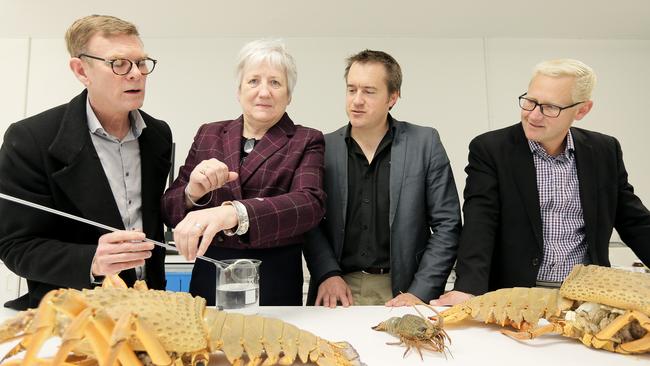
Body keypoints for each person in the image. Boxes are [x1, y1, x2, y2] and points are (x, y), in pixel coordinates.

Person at [433, 59, 650, 306]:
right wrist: (468, 288)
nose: (533, 115)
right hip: (516, 294)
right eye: (530, 101)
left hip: (587, 296)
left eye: (550, 107)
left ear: (581, 110)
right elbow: (480, 222)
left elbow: (634, 220)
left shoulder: (604, 150)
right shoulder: (491, 149)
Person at [0, 15, 172, 310]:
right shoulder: (31, 138)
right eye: (118, 63)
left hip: (149, 307)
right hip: (72, 314)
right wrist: (91, 260)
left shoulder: (158, 134)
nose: (136, 74)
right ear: (81, 70)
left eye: (141, 62)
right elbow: (16, 246)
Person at [162, 39, 325, 306]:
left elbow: (309, 204)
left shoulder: (306, 139)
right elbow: (169, 209)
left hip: (275, 279)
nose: (264, 92)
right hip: (210, 274)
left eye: (275, 82)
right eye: (253, 81)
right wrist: (193, 192)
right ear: (239, 90)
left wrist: (234, 213)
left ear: (289, 95)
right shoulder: (209, 133)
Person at [303, 50, 461, 307]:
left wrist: (420, 291)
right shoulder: (321, 147)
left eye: (369, 91)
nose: (357, 100)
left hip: (404, 290)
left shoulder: (425, 143)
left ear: (393, 97)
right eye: (351, 89)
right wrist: (327, 273)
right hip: (338, 290)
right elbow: (309, 222)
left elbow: (447, 225)